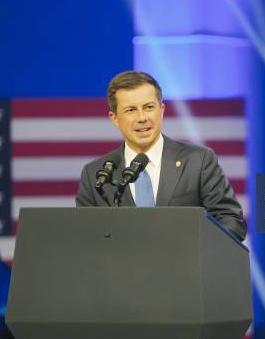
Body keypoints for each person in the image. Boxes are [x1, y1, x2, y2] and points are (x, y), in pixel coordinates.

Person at [75, 71, 247, 241]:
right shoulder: (96, 175)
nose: (142, 118)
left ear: (161, 110)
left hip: (186, 266)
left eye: (149, 107)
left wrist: (193, 249)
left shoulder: (198, 161)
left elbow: (231, 221)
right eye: (131, 110)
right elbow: (85, 238)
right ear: (114, 118)